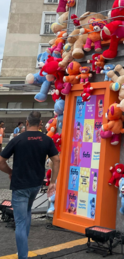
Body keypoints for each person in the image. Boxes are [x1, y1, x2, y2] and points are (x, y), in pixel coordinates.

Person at [0, 111, 60, 259]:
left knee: (20, 221)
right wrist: (52, 182)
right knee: (26, 213)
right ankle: (23, 249)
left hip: (20, 186)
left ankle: (23, 256)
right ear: (40, 124)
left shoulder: (17, 139)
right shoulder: (46, 140)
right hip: (35, 185)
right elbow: (57, 160)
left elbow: (1, 161)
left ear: (26, 123)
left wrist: (10, 171)